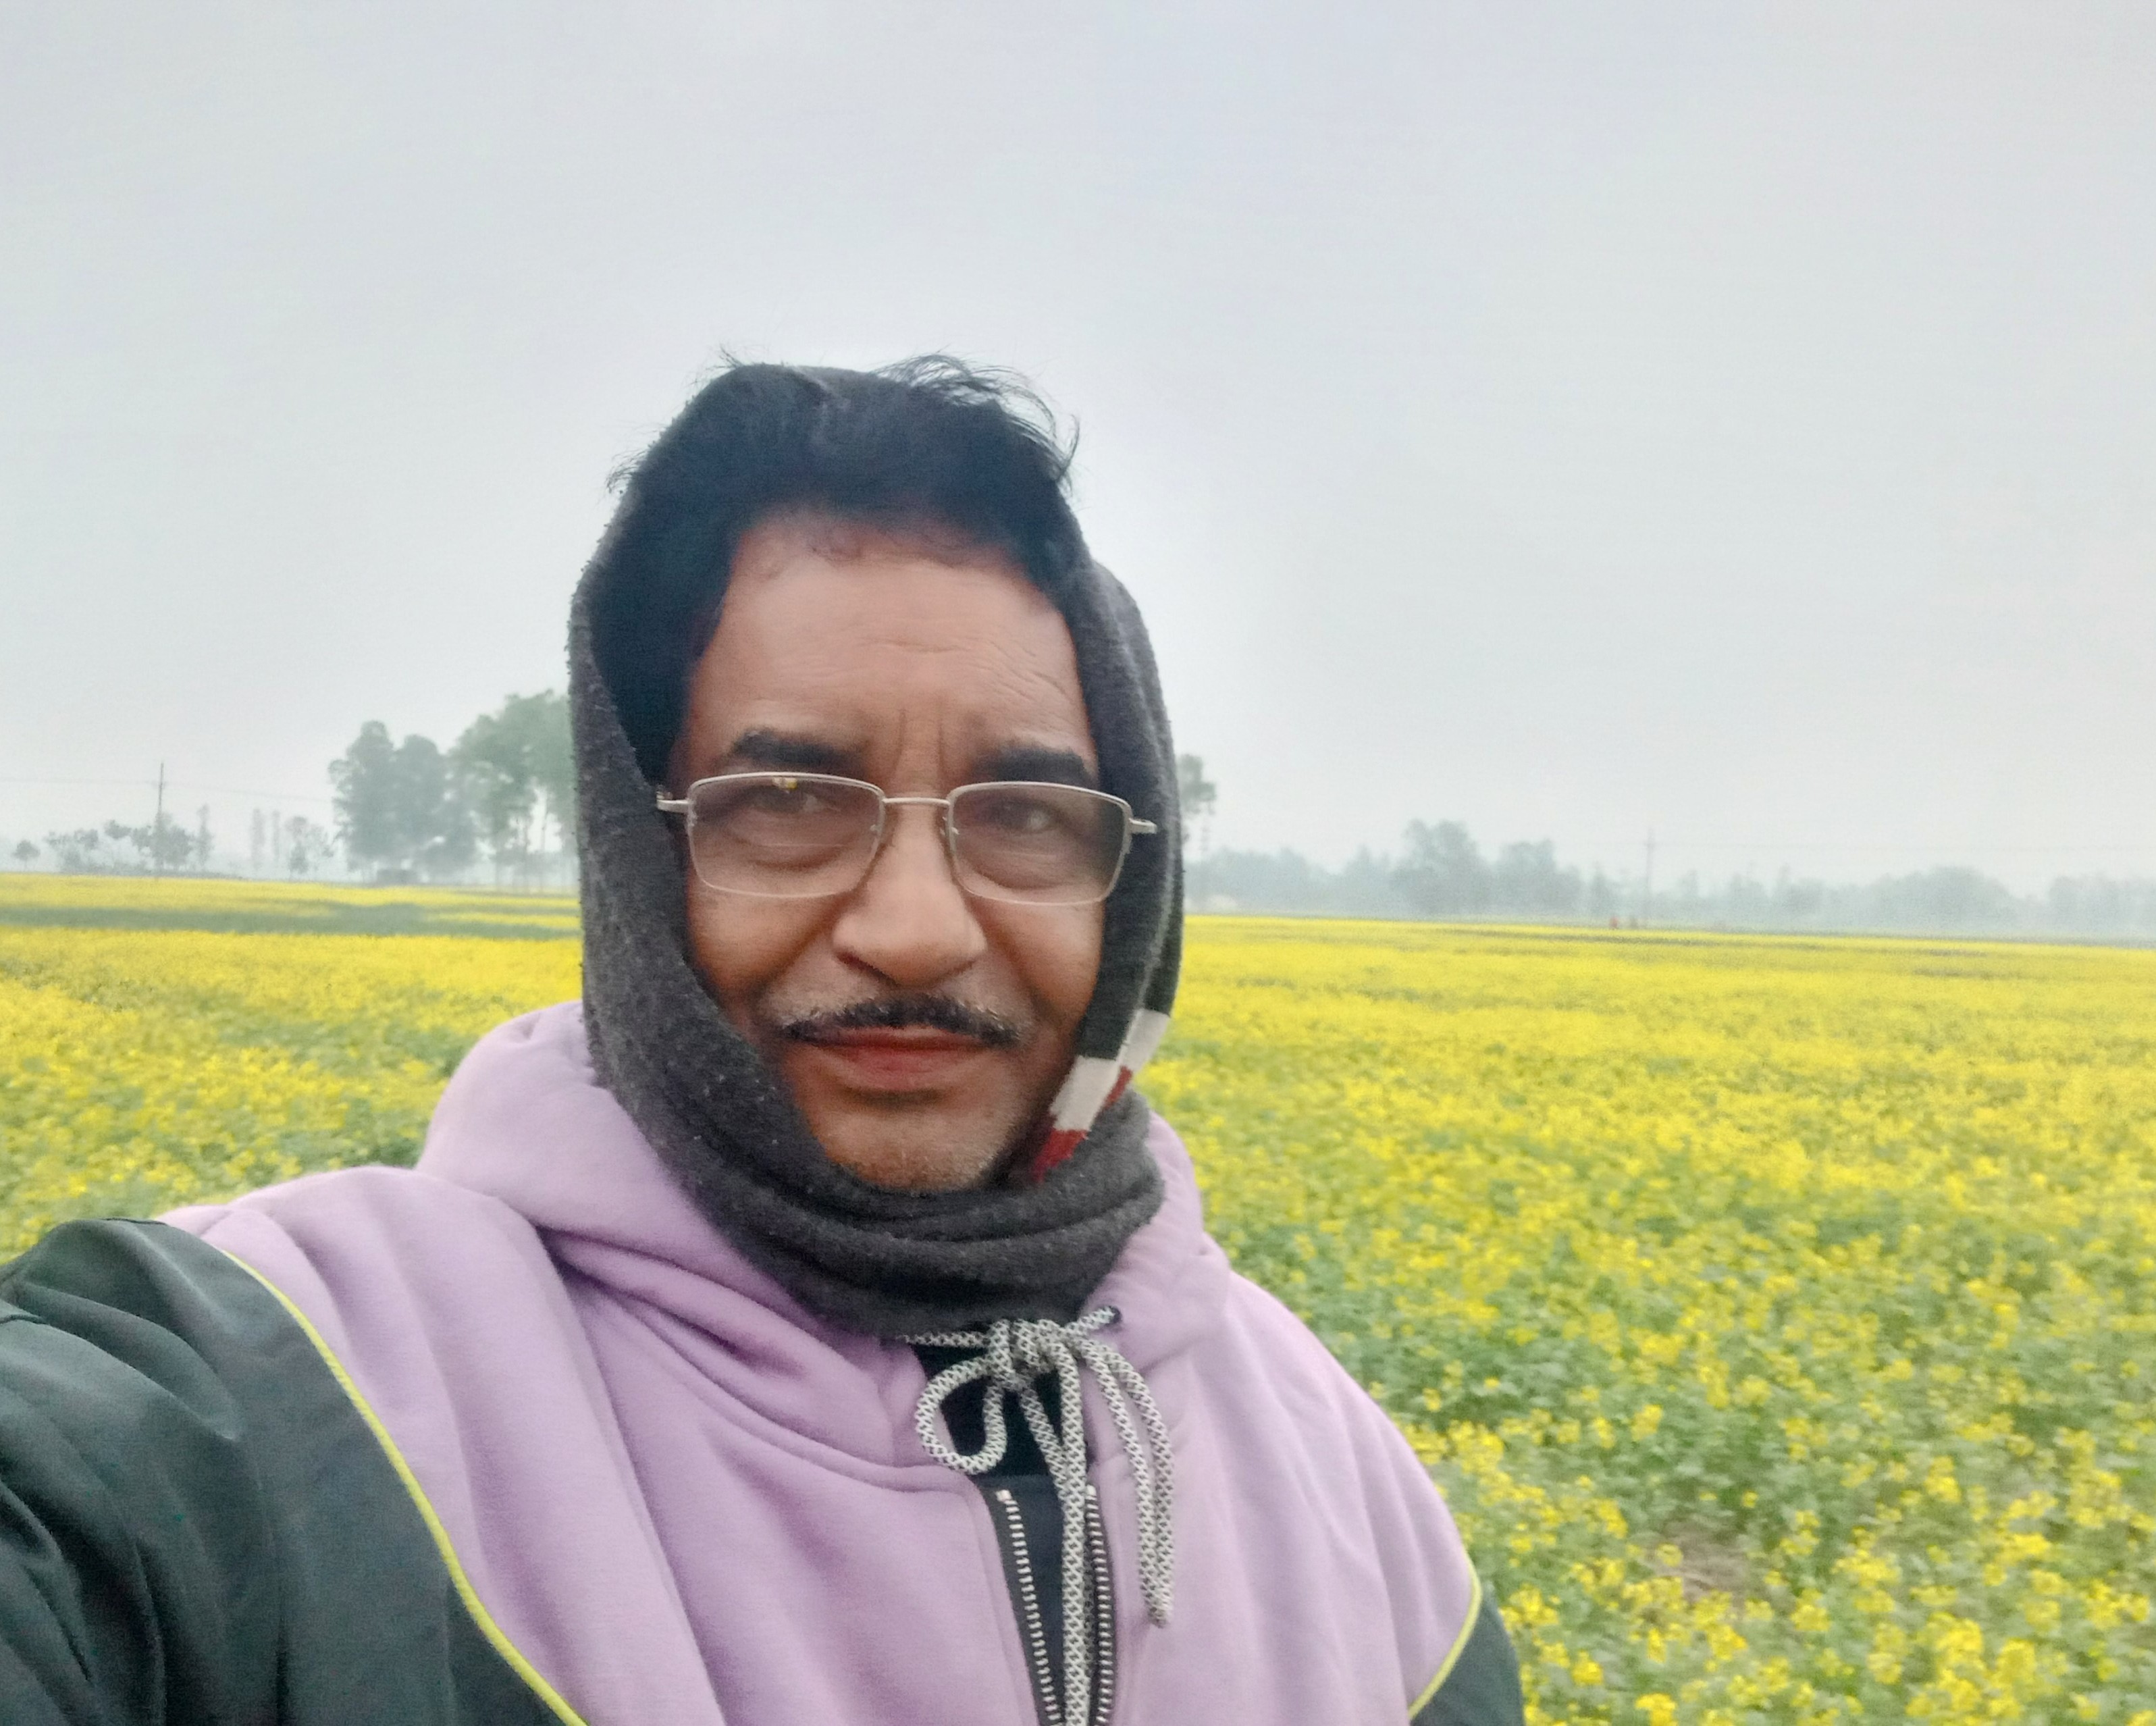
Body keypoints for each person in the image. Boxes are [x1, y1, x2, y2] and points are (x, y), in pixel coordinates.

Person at [0, 359, 1524, 1725]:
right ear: (637, 853)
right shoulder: (287, 1387)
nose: (916, 929)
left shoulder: (1345, 1484)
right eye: (787, 804)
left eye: (1023, 815)